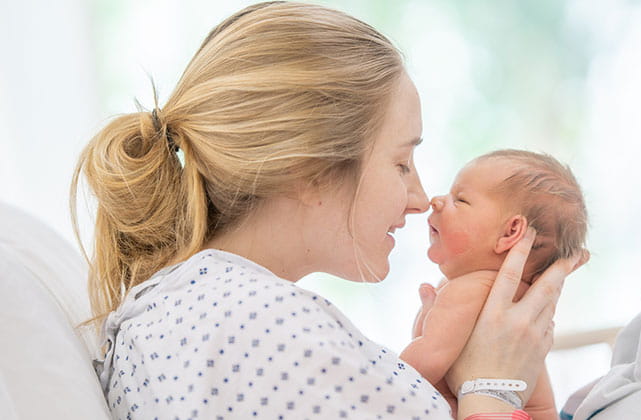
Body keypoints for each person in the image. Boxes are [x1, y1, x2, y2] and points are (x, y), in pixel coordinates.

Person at [72, 2, 586, 419]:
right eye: (401, 162)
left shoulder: (177, 310)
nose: (418, 198)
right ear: (311, 168)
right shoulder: (266, 332)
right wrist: (491, 392)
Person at [401, 150, 588, 419]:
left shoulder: (471, 290)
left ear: (510, 232)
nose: (437, 201)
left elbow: (424, 364)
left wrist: (374, 379)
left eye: (460, 199)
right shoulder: (513, 299)